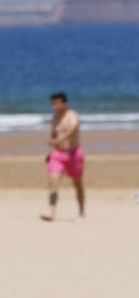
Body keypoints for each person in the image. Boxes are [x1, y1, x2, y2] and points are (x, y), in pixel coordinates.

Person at [42, 91, 84, 222]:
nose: (56, 106)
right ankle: (51, 212)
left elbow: (73, 128)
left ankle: (81, 212)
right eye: (54, 103)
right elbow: (53, 136)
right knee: (53, 182)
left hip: (74, 153)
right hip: (58, 154)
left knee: (77, 184)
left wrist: (61, 138)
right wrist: (50, 150)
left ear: (64, 103)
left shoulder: (72, 115)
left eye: (58, 103)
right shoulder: (54, 119)